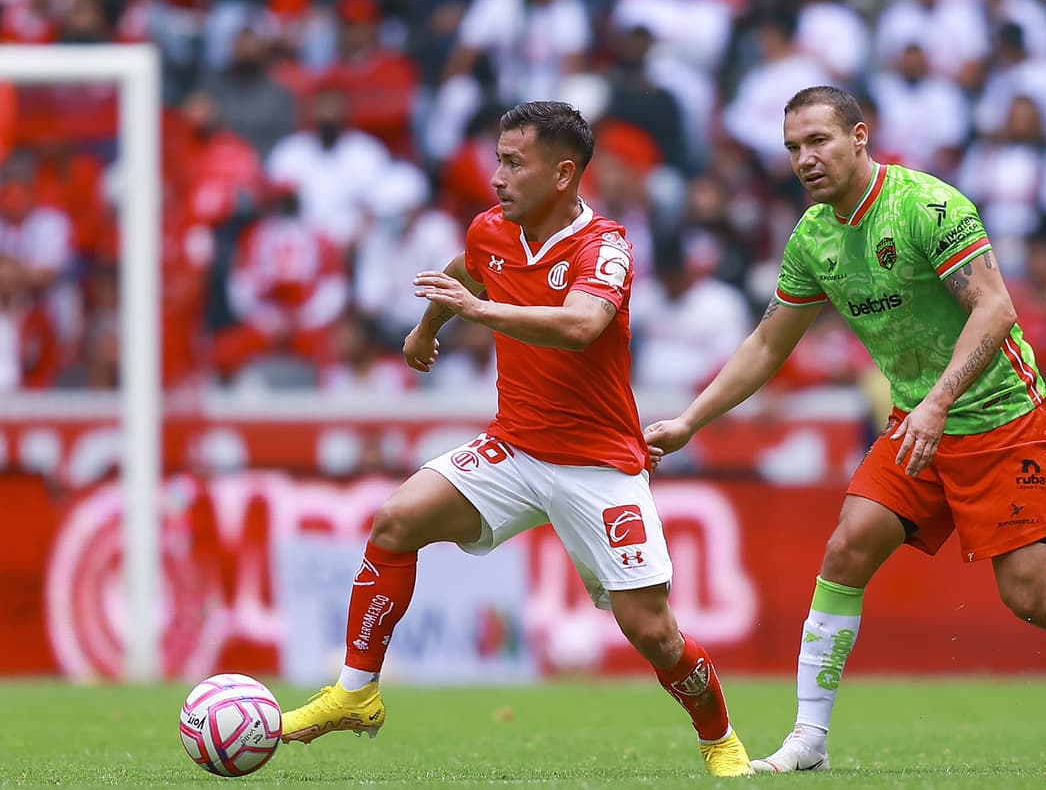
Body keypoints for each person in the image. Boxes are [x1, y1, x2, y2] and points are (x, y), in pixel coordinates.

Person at [644, 86, 1046, 774]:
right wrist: (691, 418)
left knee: (1032, 598)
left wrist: (937, 401)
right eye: (793, 148)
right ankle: (809, 738)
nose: (804, 159)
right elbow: (769, 345)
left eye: (818, 141)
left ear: (860, 137)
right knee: (846, 547)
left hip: (1002, 419)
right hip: (918, 422)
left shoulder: (927, 205)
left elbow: (996, 309)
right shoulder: (813, 237)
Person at [279, 101, 752, 777]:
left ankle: (719, 739)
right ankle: (355, 694)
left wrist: (476, 311)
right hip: (516, 447)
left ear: (563, 173)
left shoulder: (605, 245)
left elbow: (581, 325)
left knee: (653, 630)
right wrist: (428, 329)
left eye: (512, 162)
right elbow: (466, 266)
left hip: (598, 465)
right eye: (497, 158)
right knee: (395, 520)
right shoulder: (491, 230)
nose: (496, 175)